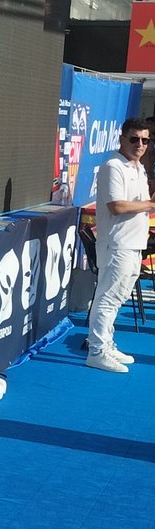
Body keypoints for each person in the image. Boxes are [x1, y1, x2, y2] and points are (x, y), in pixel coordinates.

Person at [86, 117, 155, 373]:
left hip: (134, 244)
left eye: (145, 140)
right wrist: (151, 205)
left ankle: (106, 343)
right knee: (107, 298)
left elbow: (138, 204)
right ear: (122, 138)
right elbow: (116, 206)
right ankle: (97, 351)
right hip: (117, 244)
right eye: (134, 139)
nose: (140, 144)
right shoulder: (113, 166)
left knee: (116, 298)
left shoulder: (138, 168)